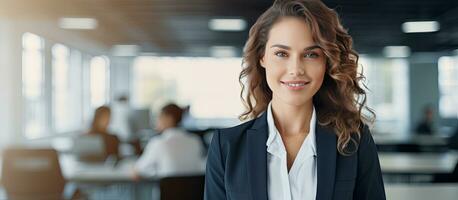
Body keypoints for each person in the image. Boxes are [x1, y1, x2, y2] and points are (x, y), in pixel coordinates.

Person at [204, 0, 385, 200]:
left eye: (311, 54)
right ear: (262, 57)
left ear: (327, 61)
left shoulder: (354, 142)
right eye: (281, 53)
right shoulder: (226, 147)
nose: (296, 69)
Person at [132, 103, 205, 179]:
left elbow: (137, 170)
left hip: (167, 190)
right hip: (194, 190)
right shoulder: (195, 140)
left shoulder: (158, 142)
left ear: (169, 119)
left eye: (159, 117)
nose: (156, 122)